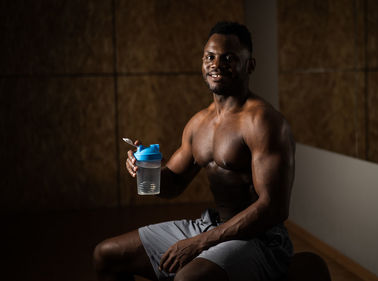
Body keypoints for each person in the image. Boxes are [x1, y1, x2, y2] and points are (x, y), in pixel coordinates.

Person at [93, 21, 295, 281]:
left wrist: (200, 243)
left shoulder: (262, 122)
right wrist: (148, 169)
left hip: (261, 239)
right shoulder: (199, 124)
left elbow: (274, 208)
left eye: (229, 58)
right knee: (106, 255)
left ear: (250, 65)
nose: (216, 64)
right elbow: (173, 185)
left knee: (189, 279)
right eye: (209, 57)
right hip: (212, 226)